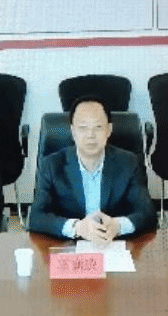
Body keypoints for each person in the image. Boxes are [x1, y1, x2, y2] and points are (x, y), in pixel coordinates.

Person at [28, 95, 156, 245]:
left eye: (98, 127)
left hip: (114, 245)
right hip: (68, 246)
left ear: (109, 130)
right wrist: (77, 227)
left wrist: (118, 226)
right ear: (73, 131)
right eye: (83, 128)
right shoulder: (52, 165)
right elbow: (36, 217)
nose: (90, 135)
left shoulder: (128, 162)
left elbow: (147, 214)